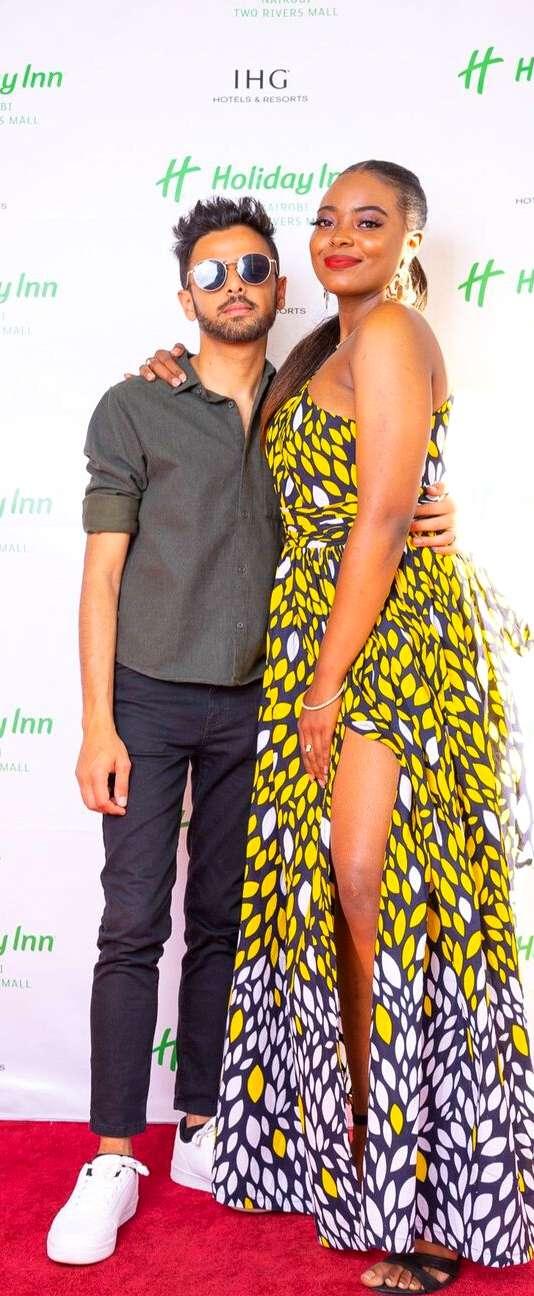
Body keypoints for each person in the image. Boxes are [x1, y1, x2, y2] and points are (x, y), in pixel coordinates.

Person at [46, 194, 455, 1268]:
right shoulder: (135, 404)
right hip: (146, 697)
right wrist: (97, 723)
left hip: (260, 703)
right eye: (212, 274)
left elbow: (368, 497)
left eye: (254, 269)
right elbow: (101, 576)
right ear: (186, 298)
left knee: (227, 921)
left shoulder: (308, 396)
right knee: (133, 924)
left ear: (281, 288)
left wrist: (439, 509)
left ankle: (201, 1121)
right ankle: (111, 1154)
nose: (235, 287)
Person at [208, 161, 534, 1293]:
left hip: (383, 638)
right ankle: (369, 1161)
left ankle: (443, 1195)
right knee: (345, 897)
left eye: (370, 219)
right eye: (327, 220)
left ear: (410, 242)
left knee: (381, 883)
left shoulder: (391, 330)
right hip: (322, 632)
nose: (340, 236)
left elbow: (387, 512)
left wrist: (324, 684)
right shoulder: (322, 354)